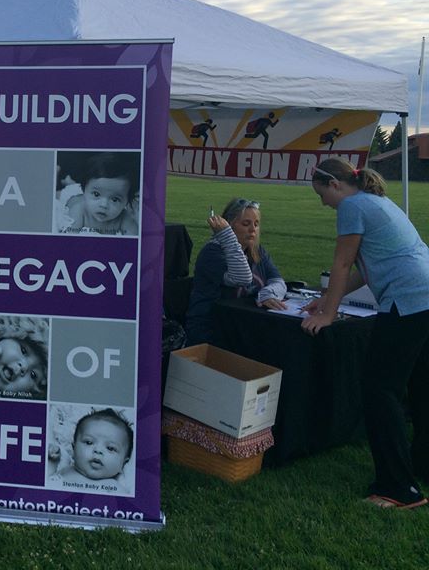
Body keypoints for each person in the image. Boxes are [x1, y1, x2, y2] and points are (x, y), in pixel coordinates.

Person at [301, 158, 429, 510]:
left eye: (321, 195)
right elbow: (364, 269)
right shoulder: (375, 201)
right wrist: (327, 299)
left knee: (380, 389)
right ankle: (422, 465)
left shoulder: (352, 206)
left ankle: (398, 489)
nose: (323, 203)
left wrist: (328, 315)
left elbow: (342, 263)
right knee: (422, 386)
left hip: (407, 298)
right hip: (425, 295)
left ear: (335, 185)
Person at [183, 198, 287, 345]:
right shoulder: (212, 253)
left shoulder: (257, 251)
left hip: (242, 326)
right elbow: (242, 278)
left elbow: (278, 281)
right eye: (246, 224)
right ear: (229, 225)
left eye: (256, 224)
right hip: (211, 330)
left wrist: (267, 294)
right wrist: (226, 235)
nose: (253, 229)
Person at [57, 153, 139, 235]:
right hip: (74, 195)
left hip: (86, 188)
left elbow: (134, 237)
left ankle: (69, 182)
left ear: (127, 202)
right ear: (84, 190)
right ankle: (63, 179)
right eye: (96, 194)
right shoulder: (78, 211)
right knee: (60, 194)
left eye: (115, 199)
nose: (104, 205)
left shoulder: (124, 218)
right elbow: (70, 236)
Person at [48, 408, 133, 488]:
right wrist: (51, 461)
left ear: (123, 463)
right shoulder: (64, 468)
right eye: (89, 442)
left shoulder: (116, 487)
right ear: (73, 449)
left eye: (110, 448)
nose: (98, 450)